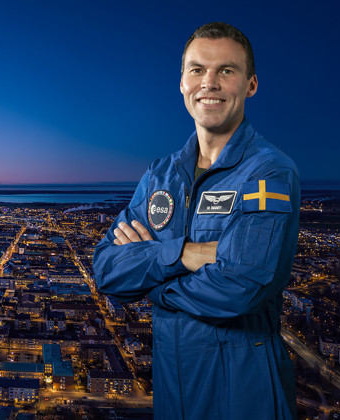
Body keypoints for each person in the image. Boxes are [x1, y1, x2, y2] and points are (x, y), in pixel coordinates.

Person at [92, 22, 299, 420]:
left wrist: (152, 282)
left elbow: (240, 285)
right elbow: (105, 268)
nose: (210, 82)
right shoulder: (160, 175)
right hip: (172, 390)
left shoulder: (269, 173)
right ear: (182, 83)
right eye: (197, 70)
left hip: (245, 392)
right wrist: (184, 254)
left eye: (226, 70)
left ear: (250, 85)